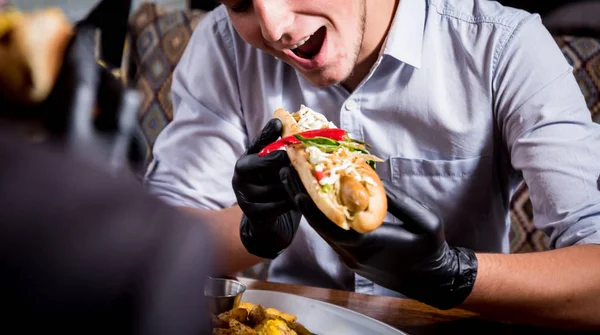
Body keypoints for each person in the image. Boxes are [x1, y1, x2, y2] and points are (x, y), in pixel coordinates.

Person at [144, 0, 600, 330]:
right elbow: (152, 251)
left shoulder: (504, 46)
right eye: (241, 3)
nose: (274, 26)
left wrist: (453, 275)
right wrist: (253, 230)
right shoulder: (224, 45)